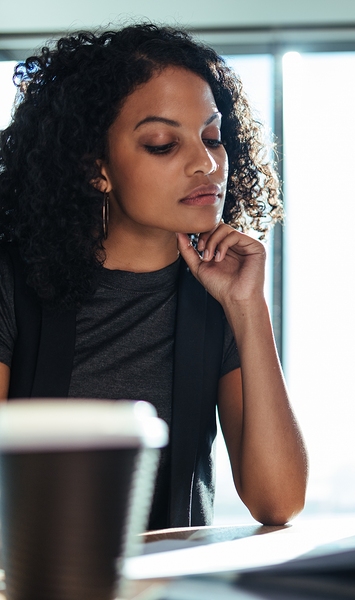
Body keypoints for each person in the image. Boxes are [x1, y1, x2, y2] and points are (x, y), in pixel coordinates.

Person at [0, 25, 308, 530]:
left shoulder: (220, 297)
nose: (206, 163)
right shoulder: (11, 283)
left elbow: (278, 501)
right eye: (164, 144)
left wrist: (248, 308)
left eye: (212, 137)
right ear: (96, 166)